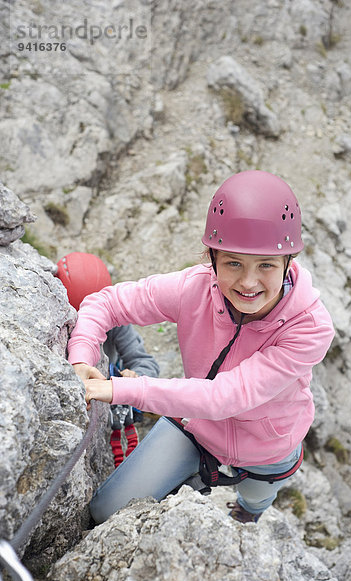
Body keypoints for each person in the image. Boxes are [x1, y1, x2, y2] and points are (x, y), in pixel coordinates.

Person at [67, 171, 335, 524]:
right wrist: (82, 357)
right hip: (197, 425)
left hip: (268, 443)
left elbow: (227, 396)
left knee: (255, 498)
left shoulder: (310, 328)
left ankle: (247, 512)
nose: (249, 282)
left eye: (266, 265)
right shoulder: (194, 289)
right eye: (233, 263)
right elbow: (106, 302)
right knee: (104, 512)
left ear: (288, 263)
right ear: (212, 259)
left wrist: (118, 389)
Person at [56, 252, 160, 467]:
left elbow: (146, 362)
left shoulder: (115, 323)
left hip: (110, 387)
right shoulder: (54, 323)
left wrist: (135, 376)